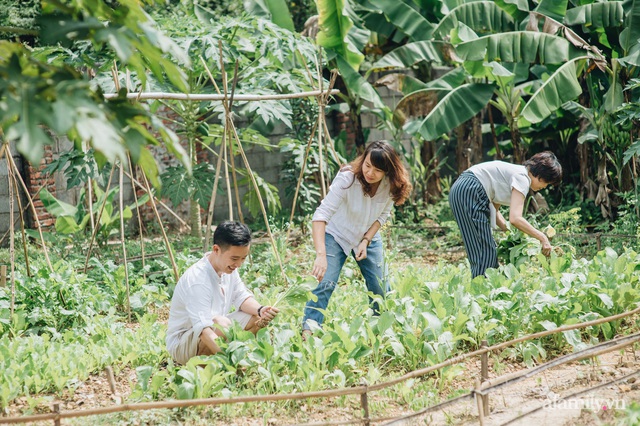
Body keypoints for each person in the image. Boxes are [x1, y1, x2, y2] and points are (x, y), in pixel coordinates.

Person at [302, 140, 412, 334]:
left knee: (380, 287)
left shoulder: (390, 185)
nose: (370, 173)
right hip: (337, 234)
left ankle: (380, 329)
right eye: (367, 165)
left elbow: (382, 216)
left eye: (377, 170)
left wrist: (366, 240)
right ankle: (308, 332)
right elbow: (320, 216)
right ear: (363, 159)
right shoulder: (347, 179)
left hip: (368, 236)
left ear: (388, 172)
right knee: (324, 282)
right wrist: (321, 255)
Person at [166, 221, 279, 365]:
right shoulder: (198, 280)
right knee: (220, 323)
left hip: (214, 330)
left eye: (243, 258)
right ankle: (210, 365)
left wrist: (261, 310)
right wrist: (231, 362)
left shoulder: (229, 269)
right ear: (216, 249)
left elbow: (241, 297)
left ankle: (228, 358)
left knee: (256, 317)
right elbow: (205, 331)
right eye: (234, 258)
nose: (239, 264)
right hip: (184, 344)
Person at [449, 151, 563, 278]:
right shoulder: (523, 178)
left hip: (463, 189)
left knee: (482, 249)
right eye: (547, 183)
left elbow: (494, 209)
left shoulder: (515, 174)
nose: (545, 186)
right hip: (470, 190)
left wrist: (511, 233)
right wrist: (542, 237)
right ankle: (482, 291)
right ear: (541, 175)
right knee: (485, 252)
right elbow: (515, 218)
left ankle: (482, 288)